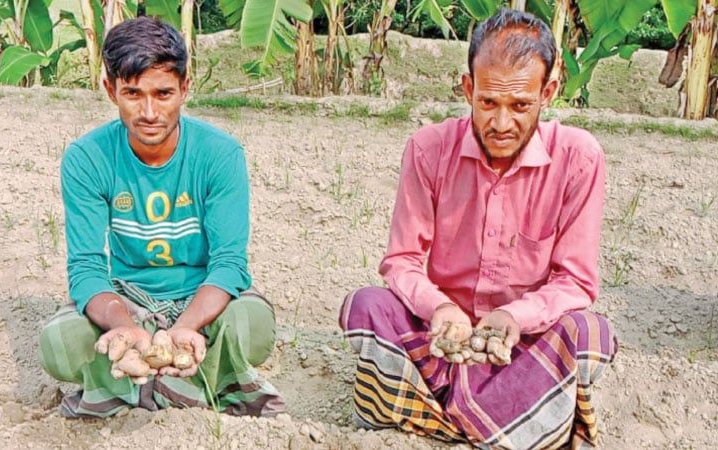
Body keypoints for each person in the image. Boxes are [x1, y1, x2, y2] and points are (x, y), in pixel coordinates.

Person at [339, 8, 617, 449]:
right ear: (469, 88)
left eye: (520, 105)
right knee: (367, 307)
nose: (502, 123)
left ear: (549, 92)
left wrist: (513, 317)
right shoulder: (429, 150)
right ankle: (515, 422)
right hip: (441, 339)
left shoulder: (579, 158)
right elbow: (402, 262)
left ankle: (437, 414)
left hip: (523, 346)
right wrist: (441, 309)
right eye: (488, 102)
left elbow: (576, 281)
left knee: (589, 335)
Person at [38, 16, 284, 418]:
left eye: (163, 93)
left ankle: (142, 371)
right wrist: (124, 325)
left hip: (202, 295)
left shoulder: (219, 154)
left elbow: (228, 264)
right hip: (129, 294)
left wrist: (182, 328)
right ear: (110, 90)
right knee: (61, 344)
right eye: (132, 94)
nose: (149, 112)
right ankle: (176, 369)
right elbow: (86, 268)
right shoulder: (87, 158)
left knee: (252, 326)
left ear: (185, 88)